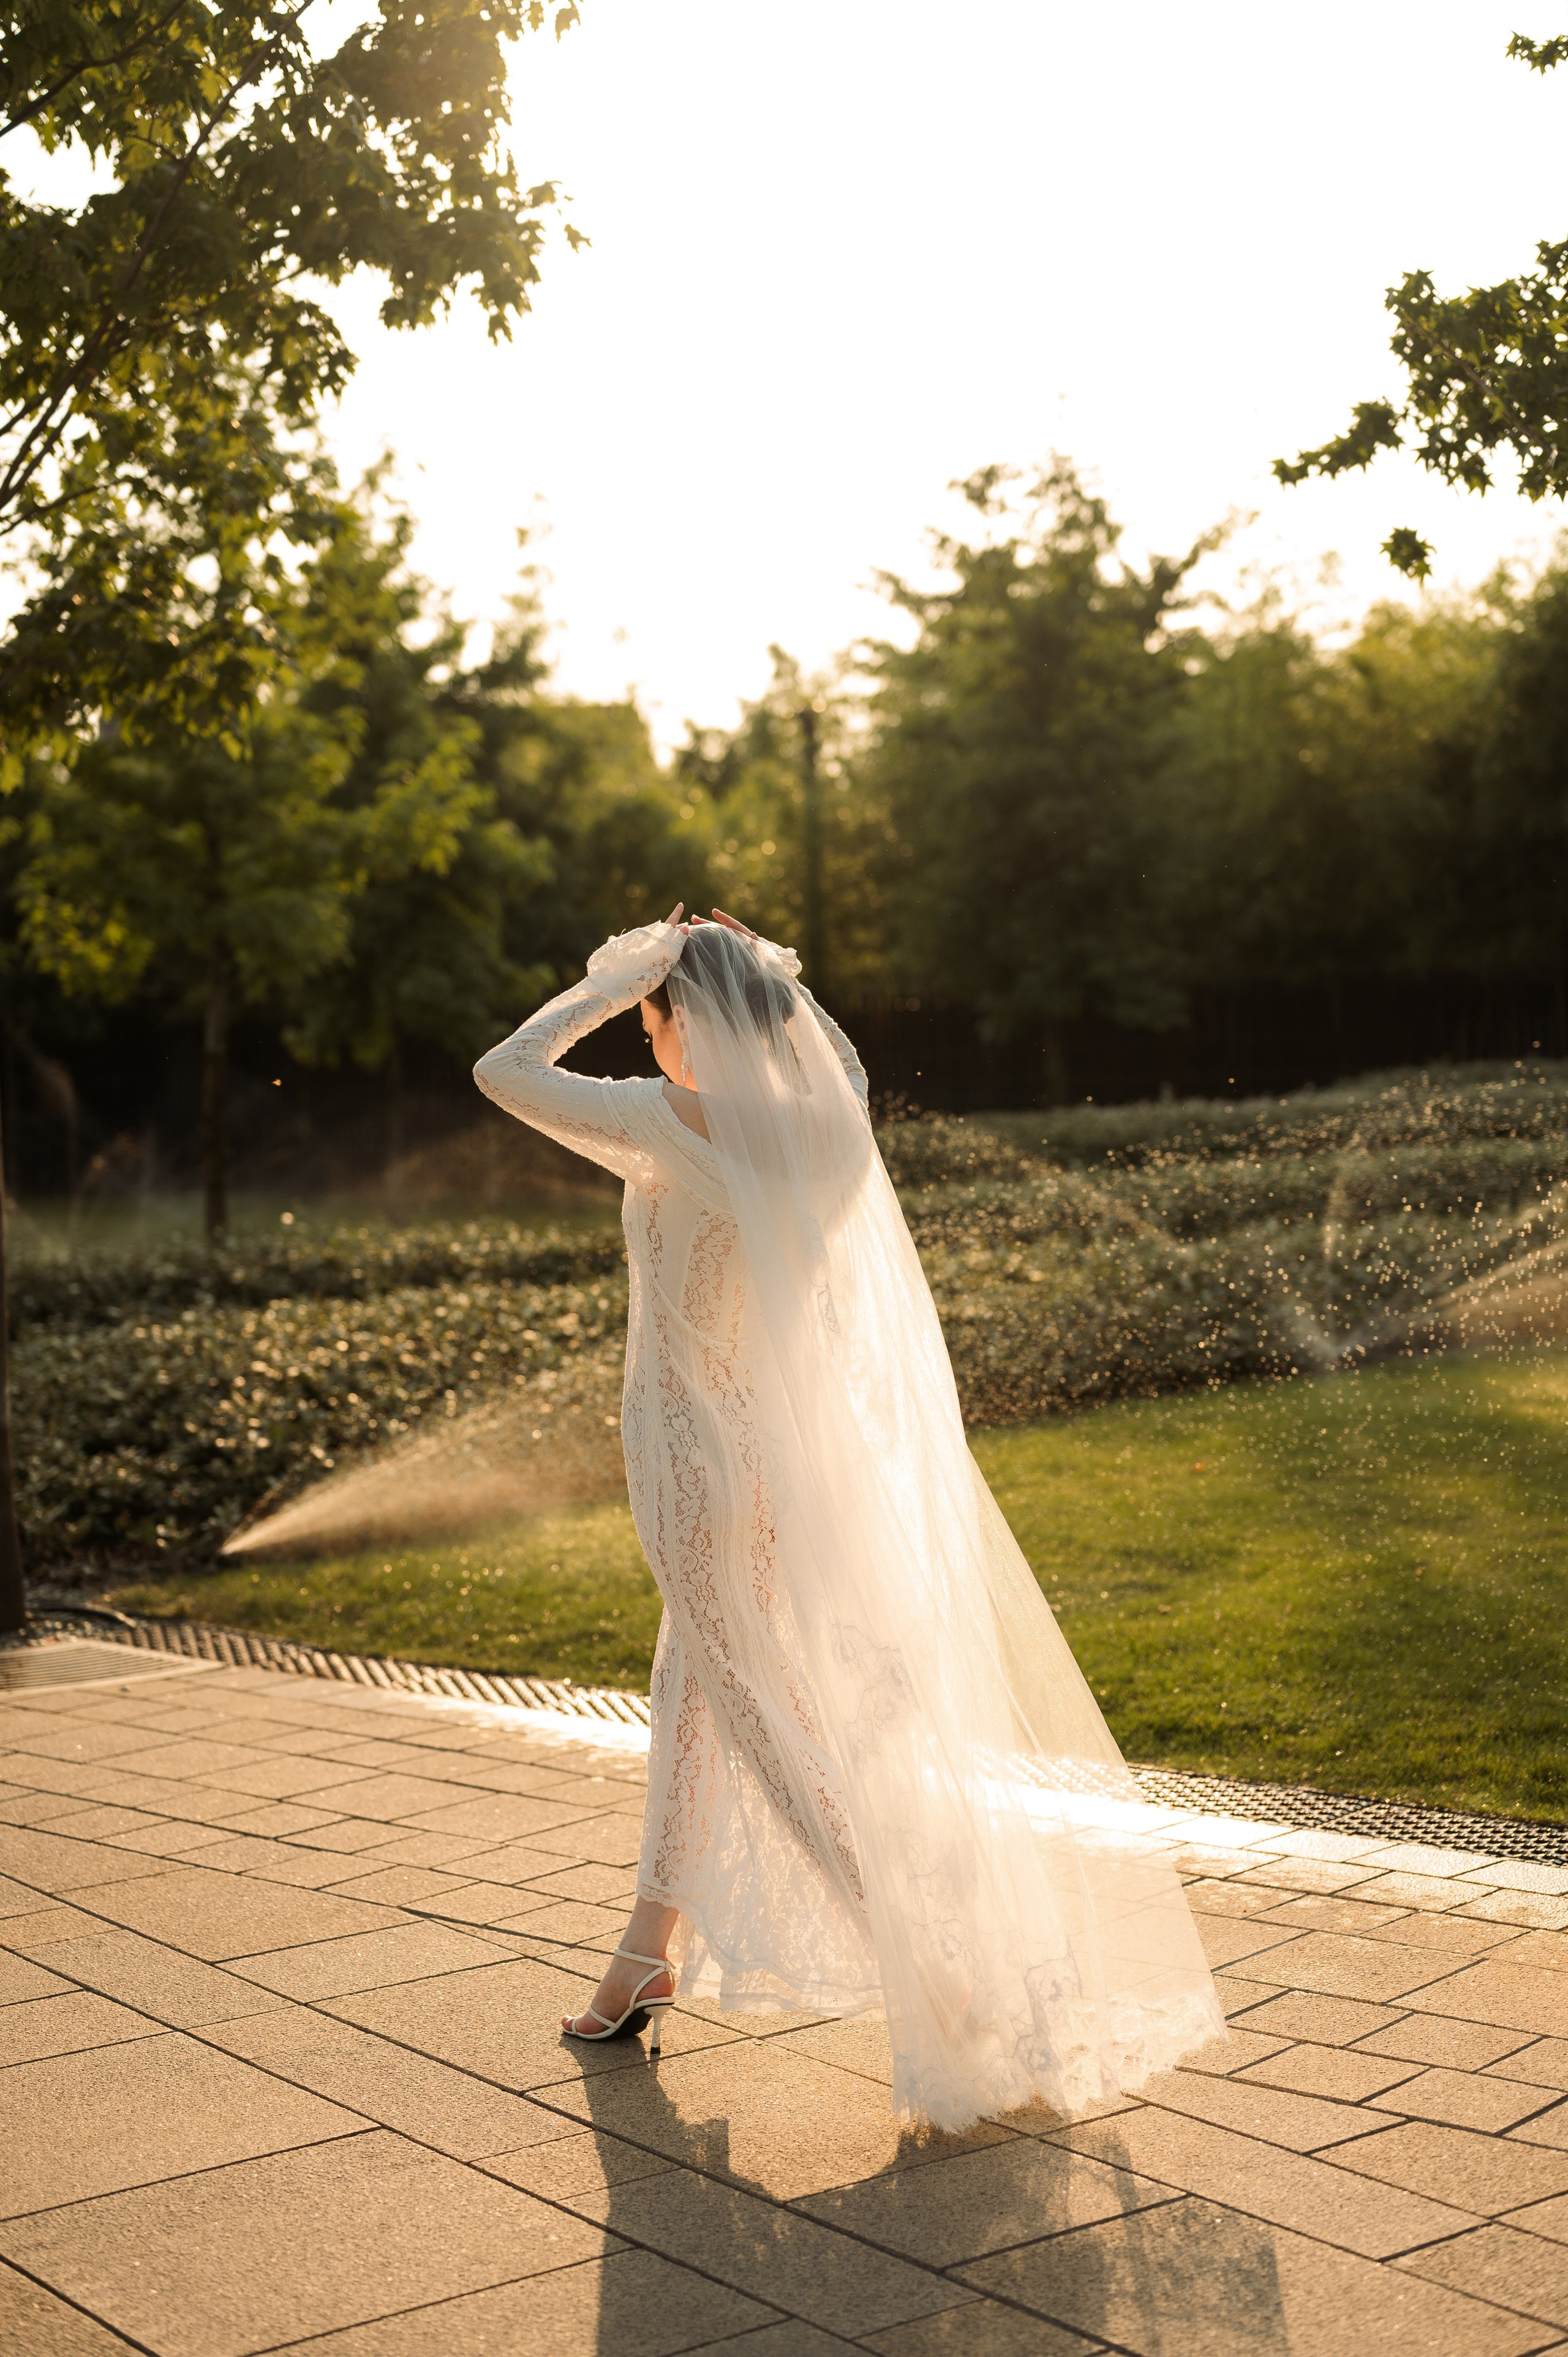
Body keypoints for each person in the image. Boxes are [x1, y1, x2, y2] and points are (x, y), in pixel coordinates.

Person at [474, 907, 1221, 2130]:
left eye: (655, 1016)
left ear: (672, 1017)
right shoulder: (824, 1127)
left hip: (684, 1460)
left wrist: (611, 979)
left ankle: (930, 1961)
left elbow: (503, 1073)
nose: (647, 1033)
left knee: (761, 1714)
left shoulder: (666, 1122)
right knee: (694, 1684)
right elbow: (818, 1072)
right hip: (766, 1462)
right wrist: (726, 972)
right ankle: (641, 1953)